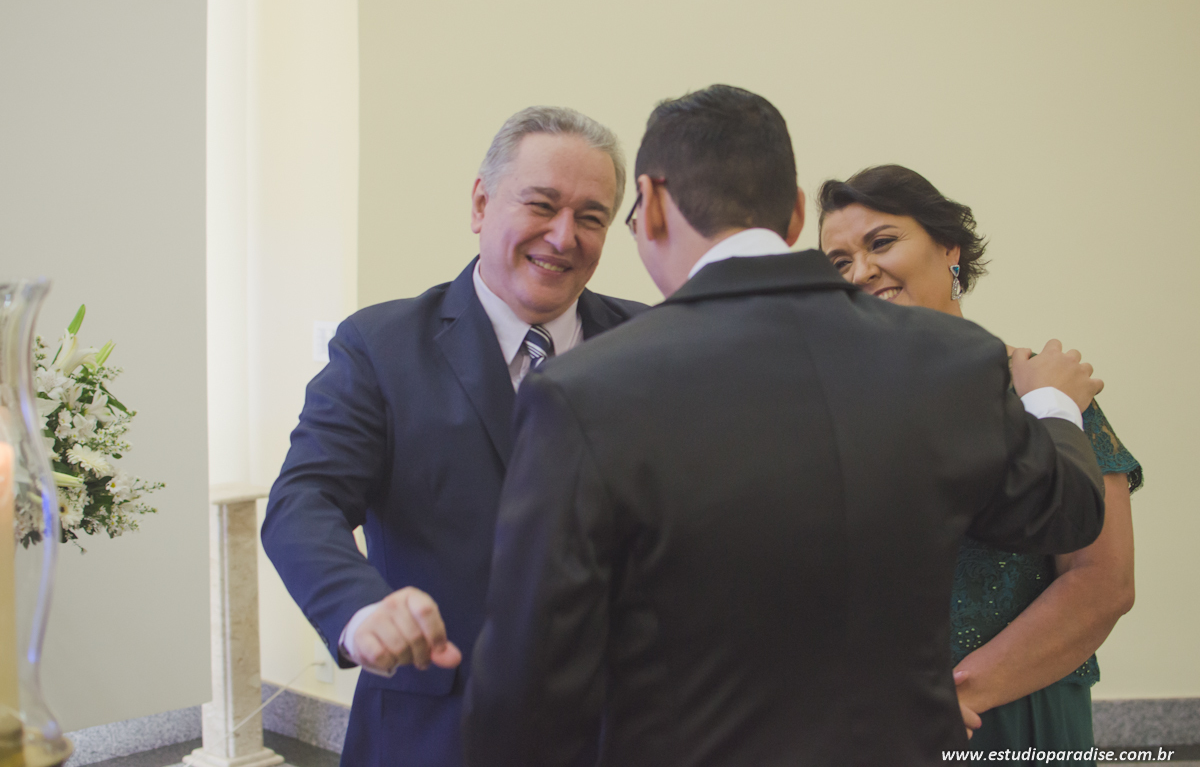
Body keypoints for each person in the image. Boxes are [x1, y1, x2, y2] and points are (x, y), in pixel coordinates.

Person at [462, 85, 1108, 766]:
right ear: (797, 211)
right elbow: (1067, 512)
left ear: (649, 204)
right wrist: (1053, 404)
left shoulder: (585, 389)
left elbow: (526, 686)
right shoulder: (952, 360)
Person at [261, 106, 648, 767]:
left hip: (618, 733)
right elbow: (305, 500)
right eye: (542, 205)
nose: (564, 236)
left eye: (591, 217)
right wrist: (360, 610)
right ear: (480, 202)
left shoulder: (648, 346)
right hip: (434, 731)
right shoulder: (380, 347)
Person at [818, 164, 1140, 762]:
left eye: (881, 243)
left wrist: (955, 695)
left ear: (949, 249)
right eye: (838, 263)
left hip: (1015, 714)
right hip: (872, 725)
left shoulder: (1043, 390)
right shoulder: (828, 412)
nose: (861, 271)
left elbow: (1103, 583)